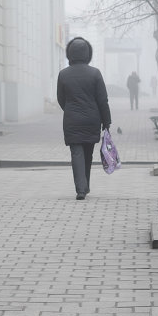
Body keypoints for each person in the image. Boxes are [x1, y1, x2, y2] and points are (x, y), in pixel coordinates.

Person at [56, 37, 112, 200]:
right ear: (88, 53)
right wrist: (106, 121)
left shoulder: (63, 74)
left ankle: (81, 188)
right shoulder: (95, 73)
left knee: (76, 153)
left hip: (72, 120)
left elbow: (60, 98)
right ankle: (84, 185)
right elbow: (103, 100)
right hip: (92, 119)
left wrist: (70, 110)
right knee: (88, 153)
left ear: (69, 54)